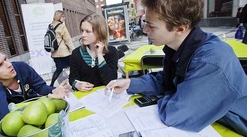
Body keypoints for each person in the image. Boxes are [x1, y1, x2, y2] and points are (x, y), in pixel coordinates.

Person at [106, 0, 247, 136]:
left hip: (235, 127)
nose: (145, 30)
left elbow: (177, 114)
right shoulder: (177, 47)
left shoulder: (211, 60)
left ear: (180, 28)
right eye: (145, 22)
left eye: (151, 25)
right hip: (214, 121)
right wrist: (130, 83)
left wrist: (172, 95)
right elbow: (165, 81)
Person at [0, 46, 70, 124]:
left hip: (38, 115)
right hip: (18, 125)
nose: (9, 65)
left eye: (5, 59)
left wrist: (52, 90)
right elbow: (0, 118)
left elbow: (40, 87)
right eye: (0, 65)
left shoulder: (21, 67)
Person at [69, 13, 118, 92]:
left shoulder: (111, 51)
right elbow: (72, 78)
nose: (83, 35)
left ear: (99, 32)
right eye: (82, 30)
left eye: (88, 31)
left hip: (105, 96)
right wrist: (77, 85)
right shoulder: (76, 53)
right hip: (85, 97)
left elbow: (111, 81)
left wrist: (99, 55)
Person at [49, 10, 75, 86]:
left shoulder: (50, 26)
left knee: (58, 69)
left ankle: (51, 84)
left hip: (55, 53)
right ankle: (73, 82)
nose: (64, 18)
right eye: (63, 16)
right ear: (59, 17)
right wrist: (74, 50)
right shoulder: (62, 26)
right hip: (64, 53)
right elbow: (68, 40)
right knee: (73, 67)